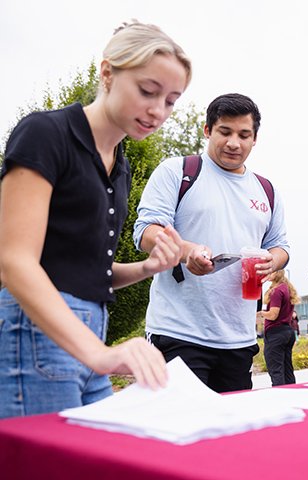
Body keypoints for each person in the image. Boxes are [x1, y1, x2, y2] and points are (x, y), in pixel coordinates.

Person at [0, 21, 192, 419]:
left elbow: (89, 270)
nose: (159, 111)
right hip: (37, 332)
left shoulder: (119, 166)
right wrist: (100, 355)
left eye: (171, 100)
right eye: (147, 91)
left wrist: (148, 267)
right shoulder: (45, 133)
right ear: (107, 73)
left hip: (92, 336)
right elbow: (13, 261)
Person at [134, 93, 290, 393]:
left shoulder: (266, 190)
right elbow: (145, 232)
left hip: (239, 338)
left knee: (230, 435)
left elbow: (280, 245)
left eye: (244, 135)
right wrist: (187, 251)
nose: (234, 143)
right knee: (179, 428)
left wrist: (275, 260)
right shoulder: (177, 172)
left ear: (254, 139)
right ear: (207, 130)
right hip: (178, 332)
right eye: (225, 132)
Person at [257, 270, 300, 386]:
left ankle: (279, 397)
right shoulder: (286, 288)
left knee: (276, 370)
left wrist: (260, 313)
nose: (267, 273)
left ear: (278, 273)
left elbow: (273, 315)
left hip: (275, 333)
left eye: (271, 271)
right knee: (287, 369)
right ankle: (292, 394)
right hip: (287, 331)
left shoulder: (276, 291)